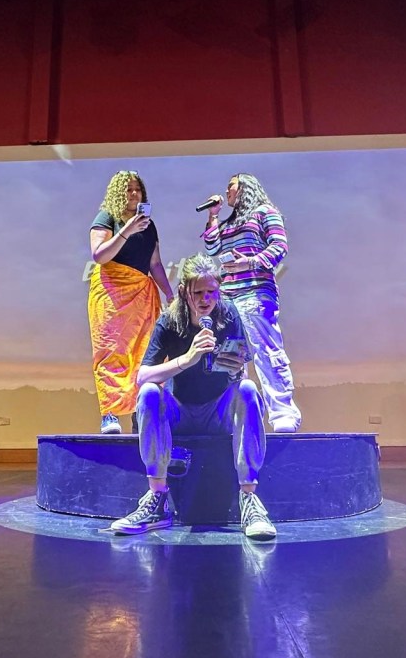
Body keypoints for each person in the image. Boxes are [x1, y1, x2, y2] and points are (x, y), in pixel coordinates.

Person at [110, 254, 277, 541]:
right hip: (181, 413)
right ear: (184, 291)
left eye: (211, 291)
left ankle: (249, 499)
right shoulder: (170, 319)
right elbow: (143, 376)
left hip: (217, 412)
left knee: (248, 390)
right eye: (198, 292)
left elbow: (243, 373)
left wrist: (235, 370)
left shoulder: (228, 314)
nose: (206, 299)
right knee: (149, 392)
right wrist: (187, 359)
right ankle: (157, 500)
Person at [202, 174, 301, 433]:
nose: (226, 191)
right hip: (228, 297)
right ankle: (237, 416)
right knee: (230, 356)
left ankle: (283, 413)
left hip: (255, 292)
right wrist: (213, 215)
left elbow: (279, 246)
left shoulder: (265, 212)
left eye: (231, 186)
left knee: (266, 352)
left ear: (245, 187)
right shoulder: (229, 222)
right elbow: (212, 247)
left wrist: (250, 262)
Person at [89, 171, 174, 434]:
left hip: (142, 295)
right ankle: (110, 414)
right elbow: (99, 255)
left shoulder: (149, 225)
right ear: (118, 192)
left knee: (144, 353)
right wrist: (127, 230)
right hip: (111, 293)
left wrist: (170, 294)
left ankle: (141, 413)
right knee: (111, 351)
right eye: (128, 189)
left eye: (138, 189)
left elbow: (155, 264)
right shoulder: (107, 217)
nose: (134, 193)